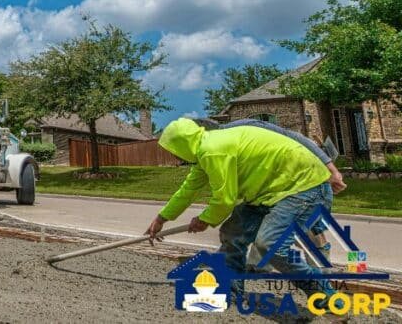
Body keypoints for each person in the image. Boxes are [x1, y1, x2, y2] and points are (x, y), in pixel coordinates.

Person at [144, 118, 338, 304]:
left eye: (173, 150)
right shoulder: (206, 150)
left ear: (181, 144)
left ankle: (327, 297)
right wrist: (162, 218)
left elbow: (224, 199)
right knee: (233, 232)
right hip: (271, 193)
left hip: (305, 187)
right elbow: (188, 190)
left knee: (270, 246)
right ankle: (232, 290)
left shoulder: (213, 150)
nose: (174, 155)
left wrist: (205, 219)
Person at [195, 118, 344, 265]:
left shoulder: (245, 127)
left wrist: (331, 169)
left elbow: (294, 137)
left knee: (306, 232)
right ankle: (244, 265)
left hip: (296, 183)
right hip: (266, 191)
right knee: (244, 226)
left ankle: (322, 275)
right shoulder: (218, 152)